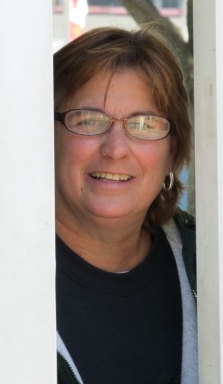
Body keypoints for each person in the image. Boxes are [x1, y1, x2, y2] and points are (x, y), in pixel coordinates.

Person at [54, 25, 197, 384]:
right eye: (88, 120)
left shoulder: (213, 267)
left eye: (144, 124)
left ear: (172, 152)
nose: (115, 149)